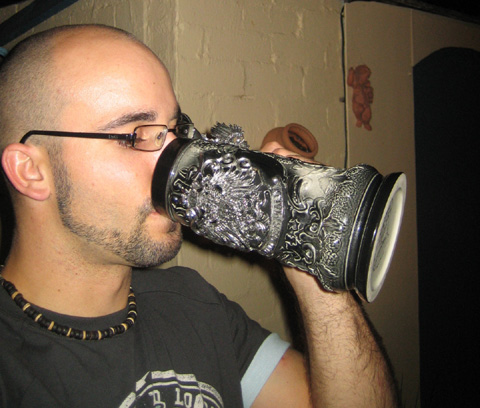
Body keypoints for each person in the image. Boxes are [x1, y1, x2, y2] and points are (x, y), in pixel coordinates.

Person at [0, 24, 399, 407]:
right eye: (136, 135)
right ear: (30, 171)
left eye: (175, 129)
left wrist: (309, 243)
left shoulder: (191, 305)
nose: (180, 161)